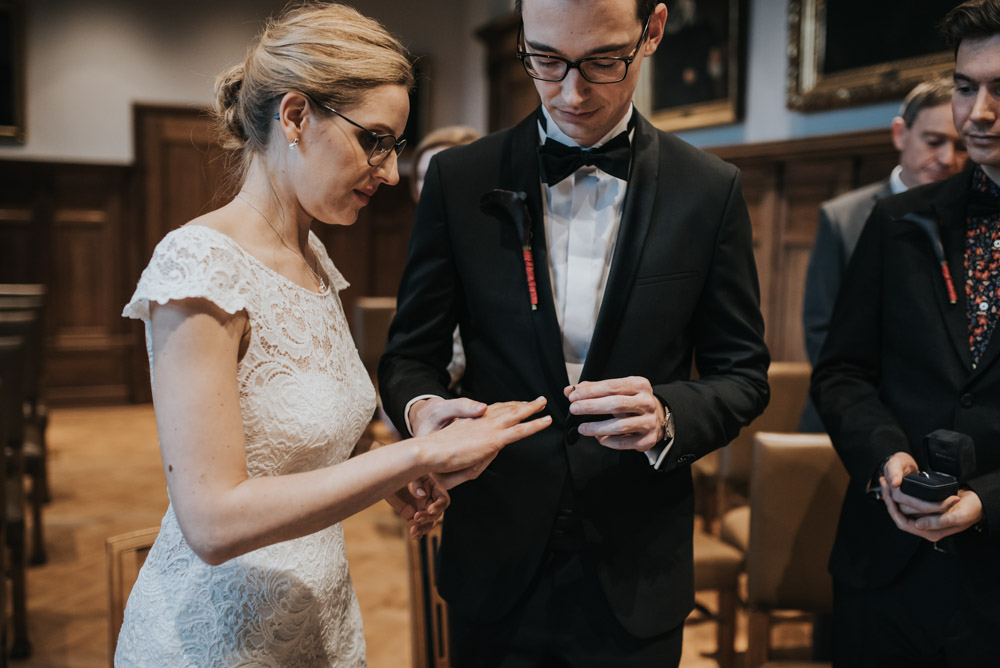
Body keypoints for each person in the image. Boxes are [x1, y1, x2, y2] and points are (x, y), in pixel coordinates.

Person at [114, 4, 551, 666]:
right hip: (217, 640)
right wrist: (408, 460)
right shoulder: (198, 263)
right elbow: (212, 521)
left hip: (317, 620)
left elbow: (297, 449)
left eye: (396, 146)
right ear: (295, 117)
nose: (392, 172)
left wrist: (396, 464)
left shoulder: (314, 257)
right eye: (374, 139)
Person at [379, 0, 769, 664]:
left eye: (601, 61)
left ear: (653, 31)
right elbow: (409, 357)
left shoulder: (711, 191)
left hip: (637, 563)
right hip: (494, 557)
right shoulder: (459, 179)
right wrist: (423, 413)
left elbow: (744, 374)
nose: (571, 92)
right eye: (547, 60)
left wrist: (671, 413)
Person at [811, 1, 1000, 664]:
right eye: (966, 86)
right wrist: (885, 459)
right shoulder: (896, 222)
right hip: (884, 574)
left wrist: (986, 500)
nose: (978, 113)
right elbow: (842, 372)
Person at [800, 79, 968, 432]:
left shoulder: (975, 223)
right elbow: (821, 331)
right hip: (853, 417)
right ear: (899, 134)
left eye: (960, 146)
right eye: (934, 142)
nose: (947, 159)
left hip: (942, 427)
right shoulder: (843, 217)